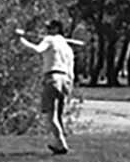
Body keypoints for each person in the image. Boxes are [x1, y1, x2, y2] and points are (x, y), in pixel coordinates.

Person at [14, 20, 86, 154]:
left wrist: (21, 40)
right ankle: (58, 143)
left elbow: (37, 49)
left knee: (50, 116)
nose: (47, 30)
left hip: (53, 78)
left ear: (57, 29)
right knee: (57, 116)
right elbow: (71, 69)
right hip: (66, 80)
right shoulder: (67, 47)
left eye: (50, 27)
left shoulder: (50, 39)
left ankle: (62, 144)